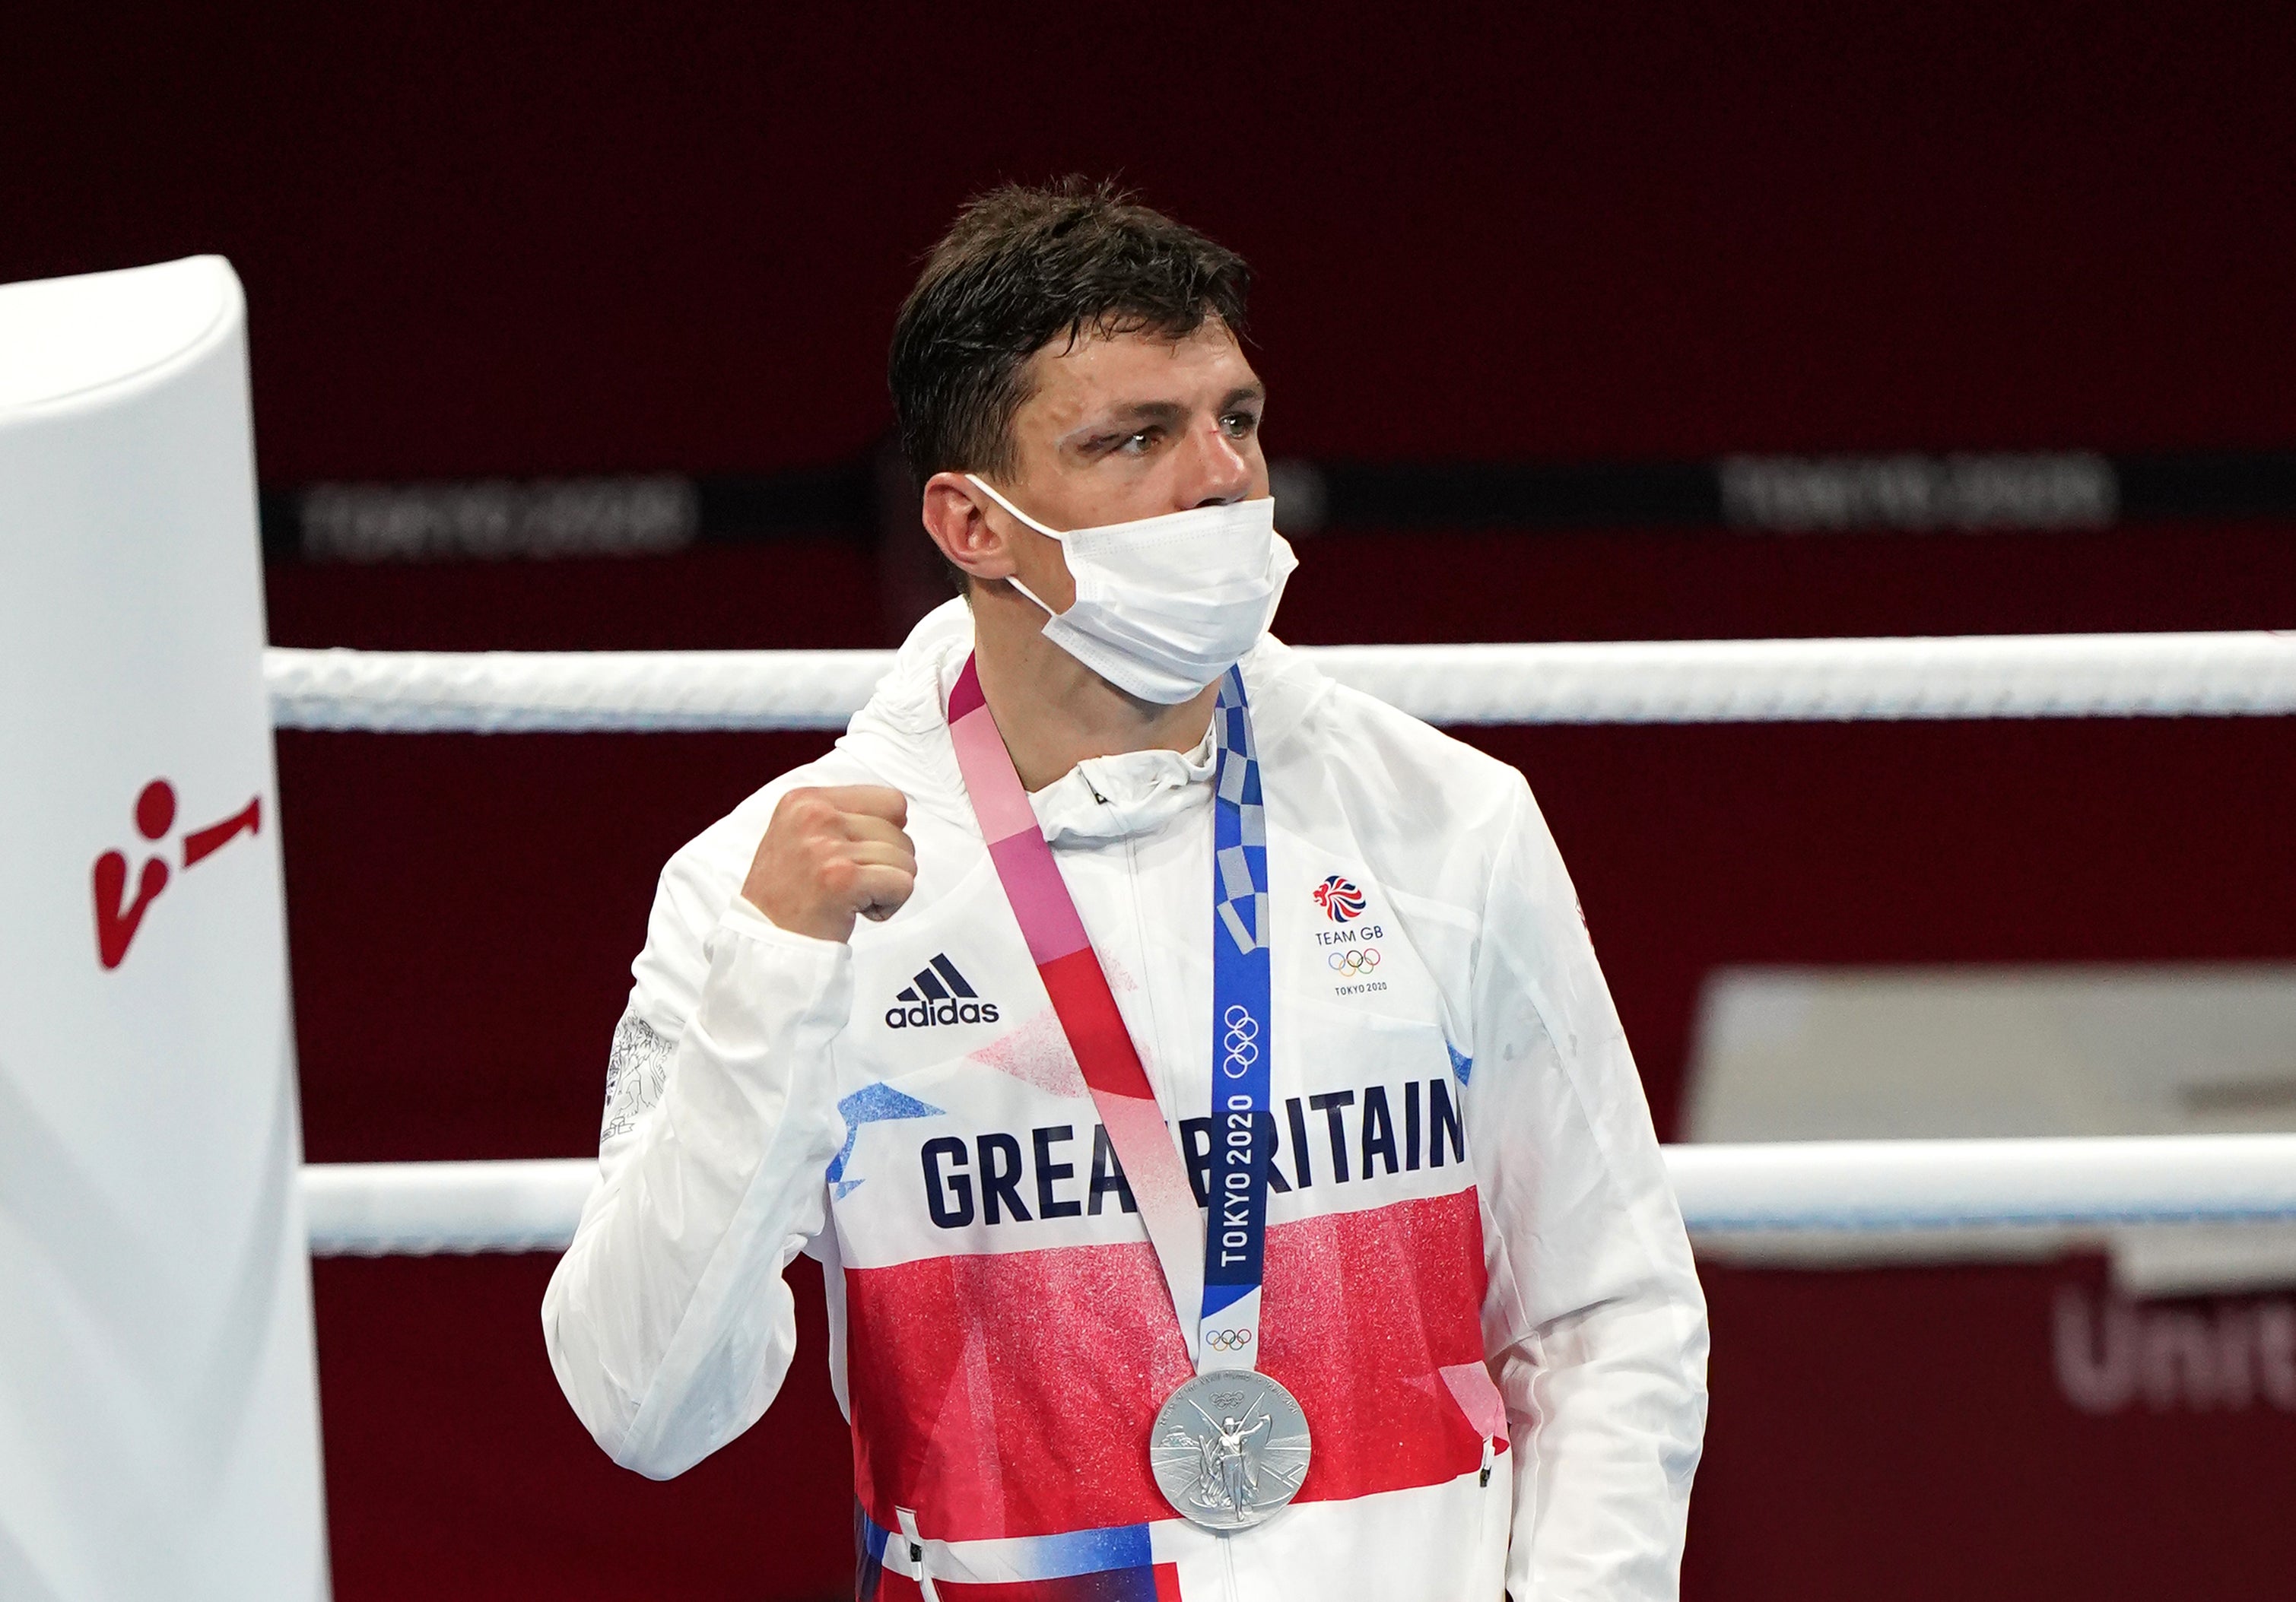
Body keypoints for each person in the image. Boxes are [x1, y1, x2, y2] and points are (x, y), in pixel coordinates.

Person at [544, 179, 1708, 1600]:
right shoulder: (760, 892)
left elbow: (1611, 1307)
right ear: (973, 526)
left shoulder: (1446, 821)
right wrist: (776, 983)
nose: (1219, 476)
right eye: (1134, 437)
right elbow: (643, 1403)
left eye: (1237, 418)